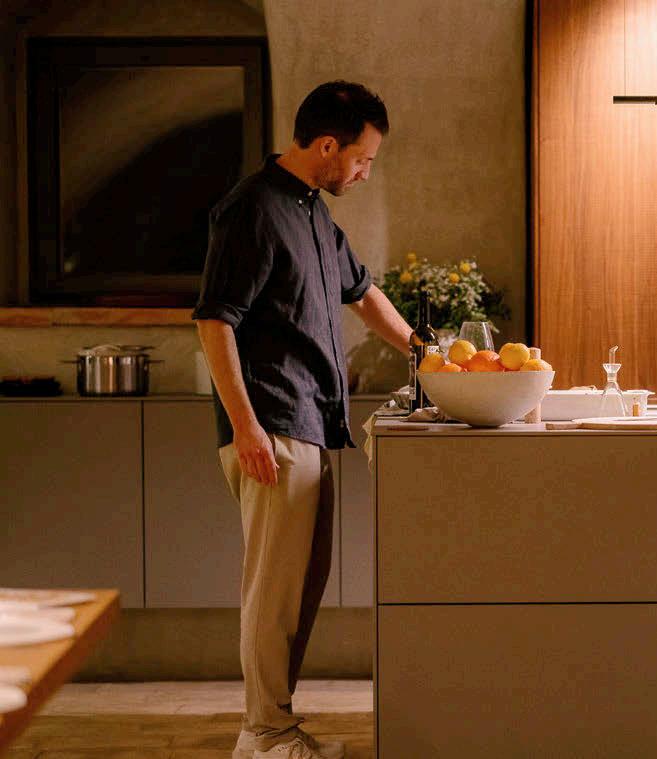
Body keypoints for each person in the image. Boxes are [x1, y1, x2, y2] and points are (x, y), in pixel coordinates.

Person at [193, 81, 414, 759]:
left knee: (299, 589)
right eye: (362, 159)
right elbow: (215, 321)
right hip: (273, 427)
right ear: (326, 146)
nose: (364, 172)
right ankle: (264, 735)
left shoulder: (312, 213)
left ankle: (275, 727)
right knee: (273, 593)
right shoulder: (252, 209)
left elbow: (363, 293)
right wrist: (247, 427)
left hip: (310, 424)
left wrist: (425, 351)